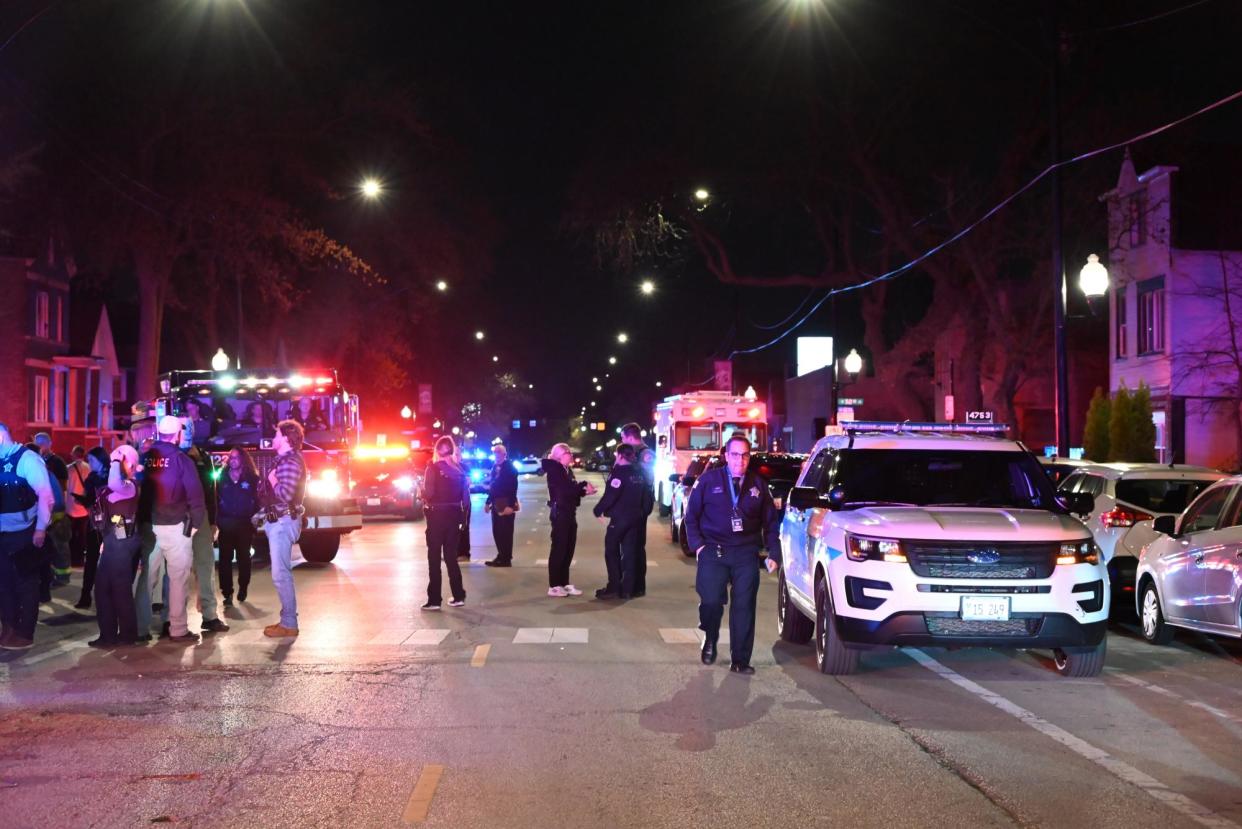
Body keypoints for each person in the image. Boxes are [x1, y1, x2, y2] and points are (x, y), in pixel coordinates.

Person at [683, 433, 780, 675]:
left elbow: (771, 523)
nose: (740, 460)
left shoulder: (758, 485)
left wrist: (773, 553)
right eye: (735, 455)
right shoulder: (708, 481)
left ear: (750, 457)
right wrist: (698, 546)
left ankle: (740, 659)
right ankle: (711, 635)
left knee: (744, 606)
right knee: (711, 602)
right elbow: (691, 516)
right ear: (726, 456)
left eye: (745, 455)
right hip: (713, 550)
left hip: (745, 552)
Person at [138, 415, 207, 644]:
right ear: (178, 435)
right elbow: (195, 495)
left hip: (149, 527)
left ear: (158, 433)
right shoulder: (181, 460)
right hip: (176, 526)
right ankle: (178, 629)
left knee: (146, 579)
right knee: (178, 580)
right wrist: (195, 525)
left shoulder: (145, 457)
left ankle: (139, 629)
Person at [0, 423, 55, 650]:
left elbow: (46, 495)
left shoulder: (28, 460)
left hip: (26, 533)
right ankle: (9, 628)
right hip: (3, 534)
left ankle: (25, 633)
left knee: (27, 583)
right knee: (4, 584)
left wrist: (41, 528)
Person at [90, 445, 143, 648]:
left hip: (123, 541)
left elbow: (114, 482)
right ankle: (108, 635)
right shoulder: (116, 485)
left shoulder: (129, 485)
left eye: (121, 461)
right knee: (103, 588)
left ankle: (127, 635)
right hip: (113, 540)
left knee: (120, 589)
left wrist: (114, 459)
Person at [180, 420, 228, 634]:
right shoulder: (170, 457)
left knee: (206, 566)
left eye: (189, 428)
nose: (188, 433)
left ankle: (209, 616)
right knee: (176, 571)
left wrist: (213, 520)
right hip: (177, 518)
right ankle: (172, 620)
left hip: (201, 517)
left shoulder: (203, 457)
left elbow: (212, 491)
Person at [263, 419, 307, 637]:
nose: (273, 439)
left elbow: (286, 494)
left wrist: (272, 481)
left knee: (281, 574)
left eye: (277, 435)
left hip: (283, 522)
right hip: (280, 520)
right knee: (279, 573)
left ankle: (289, 623)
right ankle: (287, 621)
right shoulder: (285, 460)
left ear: (287, 439)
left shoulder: (290, 462)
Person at [592, 443, 652, 599]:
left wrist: (597, 510)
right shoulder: (639, 473)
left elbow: (611, 495)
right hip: (636, 518)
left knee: (611, 551)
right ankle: (628, 589)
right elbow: (647, 496)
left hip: (620, 518)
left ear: (619, 455)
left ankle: (613, 586)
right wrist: (642, 513)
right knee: (630, 553)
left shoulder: (619, 473)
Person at [541, 442, 596, 597]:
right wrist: (584, 485)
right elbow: (566, 489)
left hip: (569, 512)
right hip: (560, 513)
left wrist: (584, 492)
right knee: (559, 548)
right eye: (568, 453)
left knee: (568, 548)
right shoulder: (554, 470)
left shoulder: (566, 470)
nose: (571, 456)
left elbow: (571, 490)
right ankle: (554, 585)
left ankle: (564, 583)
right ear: (560, 455)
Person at [421, 436, 468, 611]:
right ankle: (458, 595)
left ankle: (434, 599)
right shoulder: (460, 471)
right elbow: (466, 499)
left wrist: (422, 491)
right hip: (454, 516)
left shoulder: (432, 468)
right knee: (451, 557)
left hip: (436, 517)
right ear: (452, 450)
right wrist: (463, 520)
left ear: (437, 450)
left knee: (434, 558)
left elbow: (429, 493)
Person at [216, 446, 260, 607]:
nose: (232, 460)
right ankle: (227, 592)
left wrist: (256, 519)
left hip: (244, 524)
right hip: (226, 523)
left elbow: (258, 500)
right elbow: (215, 499)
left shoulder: (252, 478)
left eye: (235, 457)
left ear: (243, 459)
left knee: (244, 558)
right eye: (230, 457)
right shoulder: (221, 477)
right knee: (224, 560)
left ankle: (243, 587)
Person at [617, 423, 656, 597]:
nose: (622, 441)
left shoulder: (645, 454)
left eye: (623, 438)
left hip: (640, 503)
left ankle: (636, 585)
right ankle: (633, 584)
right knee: (631, 545)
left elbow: (646, 478)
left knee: (635, 545)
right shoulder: (634, 453)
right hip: (633, 503)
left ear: (629, 436)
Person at [33, 433, 73, 590]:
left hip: (55, 509)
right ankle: (54, 573)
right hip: (49, 509)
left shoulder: (56, 463)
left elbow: (62, 488)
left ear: (50, 443)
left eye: (43, 442)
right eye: (38, 443)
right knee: (51, 546)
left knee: (59, 545)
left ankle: (63, 575)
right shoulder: (42, 464)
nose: (41, 446)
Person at [73, 448, 110, 610]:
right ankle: (85, 595)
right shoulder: (91, 478)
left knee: (109, 561)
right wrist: (83, 500)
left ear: (101, 460)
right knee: (91, 561)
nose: (90, 463)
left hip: (110, 524)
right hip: (94, 524)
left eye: (92, 460)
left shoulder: (113, 477)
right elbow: (90, 500)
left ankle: (107, 597)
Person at [484, 444, 519, 567]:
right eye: (495, 453)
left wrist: (510, 505)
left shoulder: (510, 468)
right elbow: (492, 487)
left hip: (506, 501)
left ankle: (506, 558)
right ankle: (501, 555)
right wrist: (488, 502)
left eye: (499, 453)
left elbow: (513, 488)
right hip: (496, 502)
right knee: (497, 531)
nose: (497, 455)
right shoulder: (495, 467)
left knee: (506, 532)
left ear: (505, 455)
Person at [66, 446, 91, 568]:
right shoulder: (89, 468)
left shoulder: (69, 469)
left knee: (70, 535)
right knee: (82, 536)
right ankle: (80, 560)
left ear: (75, 454)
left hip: (70, 507)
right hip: (84, 509)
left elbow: (65, 488)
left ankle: (71, 559)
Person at [454, 444, 473, 562]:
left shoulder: (465, 468)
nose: (455, 456)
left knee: (463, 527)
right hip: (452, 503)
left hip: (463, 502)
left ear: (461, 456)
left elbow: (468, 482)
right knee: (452, 529)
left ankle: (464, 553)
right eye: (453, 454)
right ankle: (453, 552)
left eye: (457, 454)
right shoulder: (447, 467)